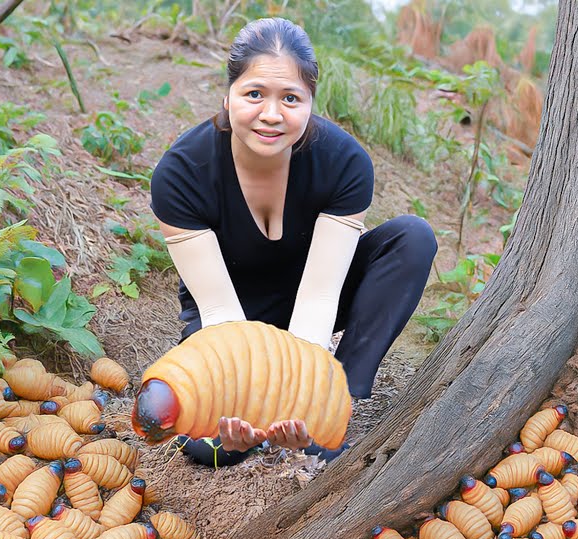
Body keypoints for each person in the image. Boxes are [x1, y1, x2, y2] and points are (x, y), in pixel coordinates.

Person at [149, 17, 437, 467]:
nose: (271, 114)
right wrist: (247, 396)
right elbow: (222, 314)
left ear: (310, 104)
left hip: (312, 298)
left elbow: (321, 295)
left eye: (290, 98)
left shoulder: (344, 163)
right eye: (254, 94)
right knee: (211, 449)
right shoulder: (183, 174)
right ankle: (240, 432)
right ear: (228, 94)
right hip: (229, 314)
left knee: (412, 238)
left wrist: (306, 394)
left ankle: (342, 393)